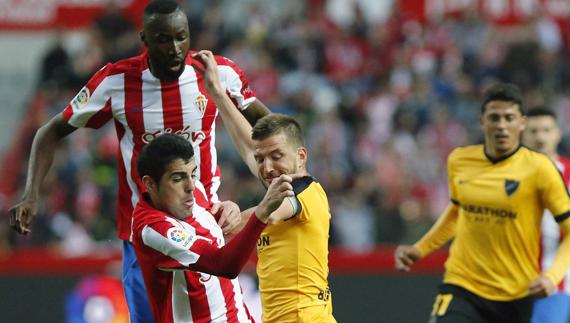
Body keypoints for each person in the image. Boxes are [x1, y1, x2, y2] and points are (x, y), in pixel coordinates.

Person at [9, 1, 269, 321]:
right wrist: (31, 193)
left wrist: (285, 166)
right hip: (144, 237)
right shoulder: (116, 81)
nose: (174, 48)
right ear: (144, 38)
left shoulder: (218, 73)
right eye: (163, 39)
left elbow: (269, 127)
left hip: (206, 224)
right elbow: (50, 131)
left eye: (181, 37)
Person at [394, 83, 570, 323]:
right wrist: (420, 249)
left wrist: (552, 276)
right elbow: (458, 212)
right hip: (463, 284)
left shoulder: (540, 169)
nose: (501, 125)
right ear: (482, 121)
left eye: (509, 118)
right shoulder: (460, 160)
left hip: (515, 293)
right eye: (494, 117)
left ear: (521, 122)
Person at [191, 49, 336, 322]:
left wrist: (220, 218)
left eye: (277, 157)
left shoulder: (302, 192)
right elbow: (250, 149)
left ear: (301, 156)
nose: (268, 167)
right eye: (262, 160)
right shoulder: (280, 181)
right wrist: (218, 95)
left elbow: (266, 213)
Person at [132, 133, 296, 323]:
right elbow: (224, 265)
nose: (190, 186)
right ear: (150, 184)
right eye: (177, 179)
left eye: (192, 174)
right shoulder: (152, 228)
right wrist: (263, 211)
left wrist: (230, 209)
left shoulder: (195, 194)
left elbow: (217, 225)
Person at [522, 107, 570, 323]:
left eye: (546, 130)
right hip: (508, 283)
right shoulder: (505, 173)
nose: (540, 137)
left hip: (556, 284)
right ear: (523, 134)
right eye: (533, 131)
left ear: (558, 133)